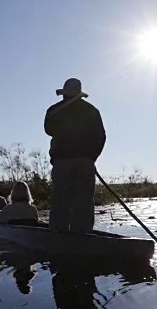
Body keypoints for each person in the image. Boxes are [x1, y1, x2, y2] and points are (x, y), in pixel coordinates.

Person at [44, 78, 106, 233]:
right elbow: (101, 137)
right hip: (82, 162)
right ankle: (82, 235)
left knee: (61, 202)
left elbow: (48, 129)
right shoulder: (91, 110)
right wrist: (91, 157)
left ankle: (60, 236)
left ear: (64, 94)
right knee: (83, 202)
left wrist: (90, 158)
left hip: (63, 163)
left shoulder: (54, 110)